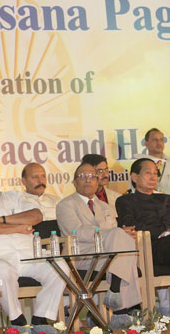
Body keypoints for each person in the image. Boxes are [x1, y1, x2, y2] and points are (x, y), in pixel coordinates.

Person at [0, 161, 67, 334]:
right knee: (1, 270)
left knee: (60, 266)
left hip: (27, 253)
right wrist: (17, 226)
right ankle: (19, 321)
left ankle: (40, 318)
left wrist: (0, 220)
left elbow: (36, 216)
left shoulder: (14, 196)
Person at [56, 163, 141, 329]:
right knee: (122, 243)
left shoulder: (105, 206)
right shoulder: (65, 204)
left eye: (92, 176)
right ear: (74, 182)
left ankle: (117, 301)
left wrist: (116, 234)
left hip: (106, 256)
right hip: (80, 255)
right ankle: (122, 308)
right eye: (82, 176)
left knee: (125, 245)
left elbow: (112, 235)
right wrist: (111, 233)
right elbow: (77, 232)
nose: (87, 180)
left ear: (97, 182)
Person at [116, 158, 170, 316]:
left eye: (155, 173)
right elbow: (131, 226)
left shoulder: (166, 199)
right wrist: (161, 232)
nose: (153, 177)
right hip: (147, 248)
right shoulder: (125, 201)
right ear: (134, 177)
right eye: (148, 173)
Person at [137, 128, 170, 194]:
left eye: (161, 140)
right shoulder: (139, 165)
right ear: (146, 144)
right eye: (155, 140)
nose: (159, 143)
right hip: (147, 203)